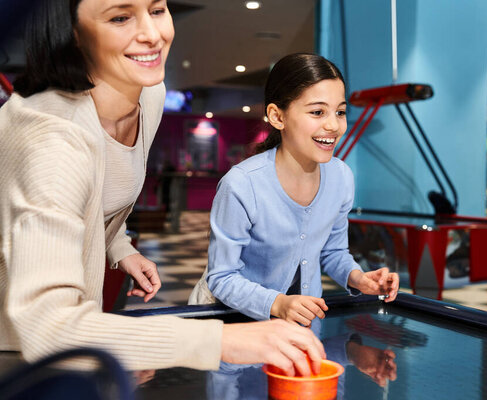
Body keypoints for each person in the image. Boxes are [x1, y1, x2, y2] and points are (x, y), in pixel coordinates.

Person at [0, 0, 324, 376]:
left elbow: (94, 193)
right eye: (120, 17)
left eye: (156, 10)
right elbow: (46, 327)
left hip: (69, 343)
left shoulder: (148, 94)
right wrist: (220, 341)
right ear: (71, 32)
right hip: (14, 346)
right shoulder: (52, 139)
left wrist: (118, 246)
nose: (153, 35)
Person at [189, 53, 399, 325]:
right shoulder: (241, 184)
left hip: (300, 324)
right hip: (231, 322)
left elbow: (332, 252)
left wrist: (358, 278)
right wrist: (277, 302)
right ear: (277, 116)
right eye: (317, 112)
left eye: (340, 111)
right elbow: (222, 277)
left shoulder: (342, 177)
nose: (333, 125)